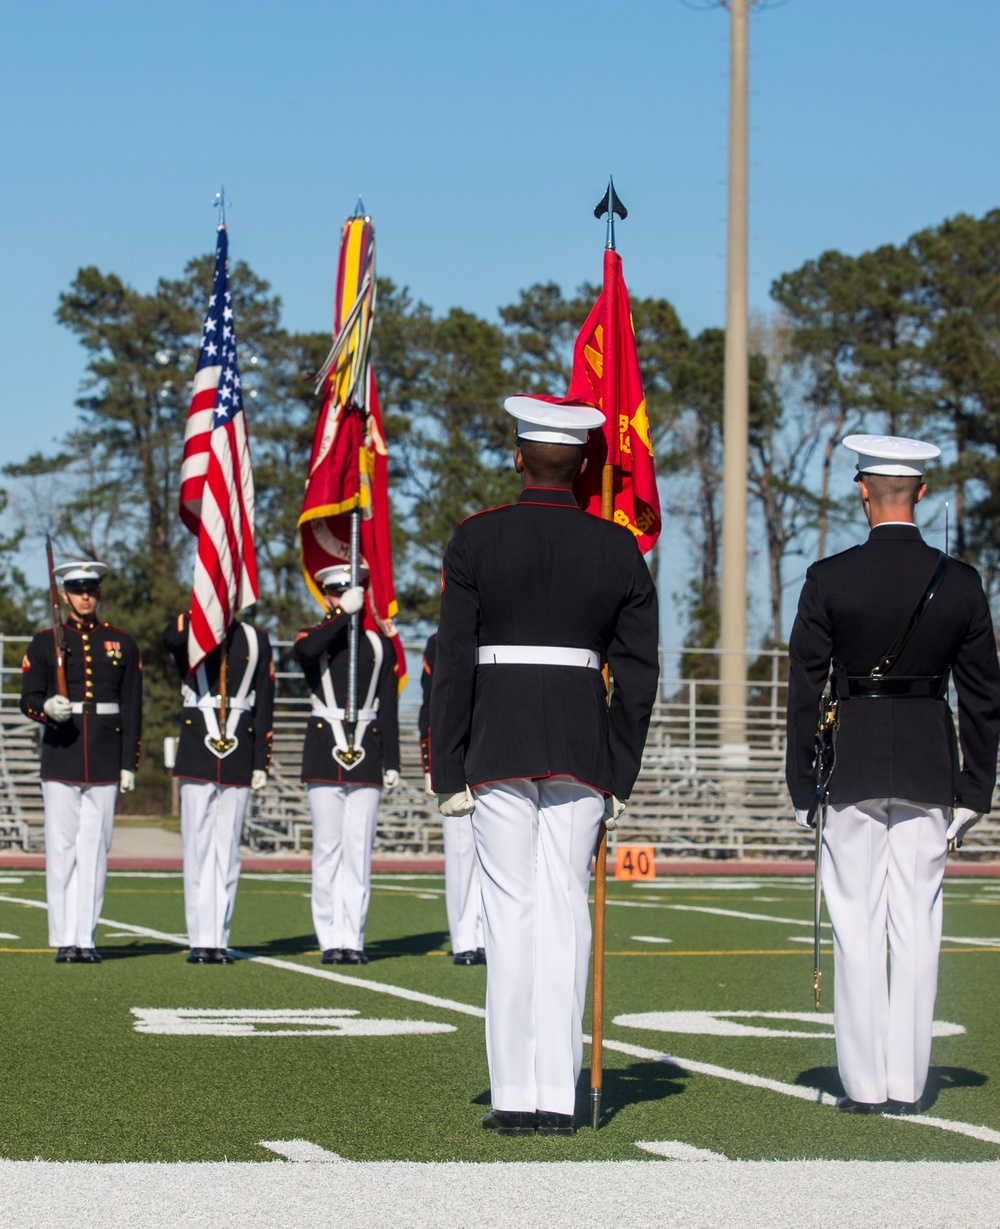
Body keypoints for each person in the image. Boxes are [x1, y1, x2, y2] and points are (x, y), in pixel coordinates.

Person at [430, 397, 660, 1137]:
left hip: (497, 740)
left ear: (519, 455)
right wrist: (618, 768)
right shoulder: (617, 549)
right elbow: (640, 671)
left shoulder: (475, 539)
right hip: (581, 745)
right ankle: (558, 1096)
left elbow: (453, 662)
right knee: (564, 908)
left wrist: (449, 766)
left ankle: (515, 1095)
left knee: (511, 912)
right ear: (585, 464)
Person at [786, 434, 1000, 1115]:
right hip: (929, 766)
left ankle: (864, 1084)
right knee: (917, 926)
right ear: (922, 493)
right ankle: (909, 1083)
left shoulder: (828, 577)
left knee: (856, 925)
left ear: (862, 492)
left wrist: (800, 784)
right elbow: (983, 696)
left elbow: (803, 689)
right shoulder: (961, 582)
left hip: (851, 764)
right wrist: (976, 789)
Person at [20, 560, 142, 963]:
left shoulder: (121, 642)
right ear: (64, 595)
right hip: (62, 753)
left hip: (105, 752)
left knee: (95, 849)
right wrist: (46, 708)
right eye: (77, 589)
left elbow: (131, 706)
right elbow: (28, 698)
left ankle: (85, 937)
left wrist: (129, 763)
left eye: (91, 589)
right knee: (61, 848)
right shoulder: (43, 642)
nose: (85, 596)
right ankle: (63, 937)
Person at [294, 562, 401, 965]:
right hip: (325, 748)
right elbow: (307, 650)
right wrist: (341, 616)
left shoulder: (378, 645)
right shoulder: (315, 636)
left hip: (367, 751)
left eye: (350, 592)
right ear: (326, 597)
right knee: (328, 848)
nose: (343, 598)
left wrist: (393, 759)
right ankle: (328, 937)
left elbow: (388, 705)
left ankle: (352, 937)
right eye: (336, 593)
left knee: (358, 851)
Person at [163, 613, 275, 964]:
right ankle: (199, 938)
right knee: (197, 847)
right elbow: (171, 640)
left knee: (227, 852)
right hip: (198, 749)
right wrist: (202, 612)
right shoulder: (192, 627)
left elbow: (265, 705)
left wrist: (260, 762)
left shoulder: (256, 638)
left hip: (239, 749)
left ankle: (219, 939)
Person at [418, 631, 484, 966]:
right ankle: (464, 940)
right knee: (461, 854)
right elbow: (432, 706)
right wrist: (435, 765)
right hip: (459, 756)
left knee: (501, 852)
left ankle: (488, 935)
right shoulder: (439, 642)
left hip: (494, 752)